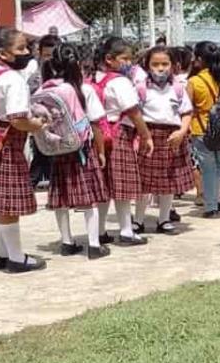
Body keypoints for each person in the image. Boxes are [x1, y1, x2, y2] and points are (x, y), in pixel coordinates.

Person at [0, 27, 48, 273]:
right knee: (9, 206)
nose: (27, 52)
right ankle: (16, 258)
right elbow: (17, 119)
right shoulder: (13, 80)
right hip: (8, 147)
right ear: (3, 53)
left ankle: (2, 253)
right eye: (21, 48)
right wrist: (36, 125)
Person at [39, 43, 111, 260]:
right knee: (89, 197)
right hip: (81, 149)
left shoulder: (45, 89)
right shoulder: (84, 89)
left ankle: (67, 242)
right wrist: (101, 151)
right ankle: (94, 245)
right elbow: (96, 123)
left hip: (57, 149)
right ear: (78, 64)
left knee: (61, 197)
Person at [94, 36, 153, 246]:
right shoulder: (120, 81)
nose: (129, 63)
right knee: (122, 185)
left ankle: (99, 231)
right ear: (109, 59)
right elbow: (134, 111)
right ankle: (127, 230)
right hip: (119, 134)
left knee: (103, 186)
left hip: (98, 135)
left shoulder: (92, 78)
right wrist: (146, 135)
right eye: (125, 58)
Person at [134, 46, 195, 235]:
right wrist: (143, 135)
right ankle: (138, 220)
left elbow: (187, 112)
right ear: (147, 65)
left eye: (164, 64)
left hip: (172, 137)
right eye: (155, 64)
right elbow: (135, 113)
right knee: (144, 181)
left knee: (169, 181)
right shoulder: (141, 88)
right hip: (148, 135)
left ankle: (164, 219)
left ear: (173, 66)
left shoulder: (177, 88)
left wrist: (182, 131)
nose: (160, 68)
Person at [188, 41, 220, 218]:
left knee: (208, 168)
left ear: (199, 59)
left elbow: (187, 107)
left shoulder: (194, 81)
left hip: (201, 129)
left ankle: (211, 205)